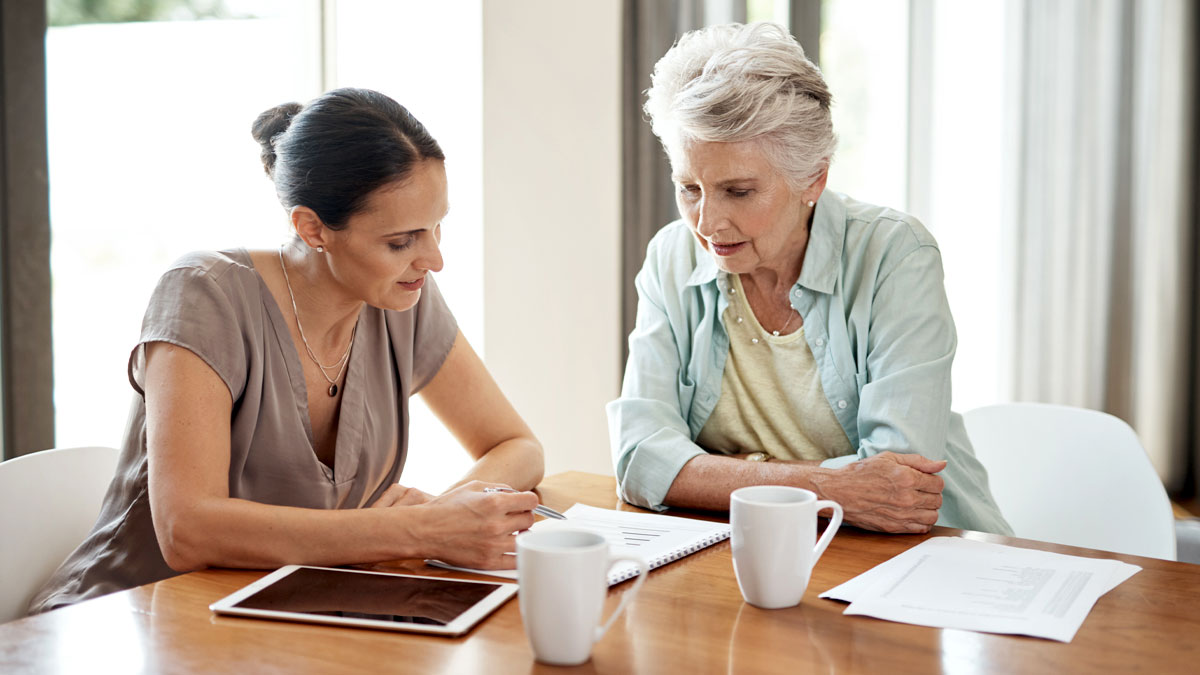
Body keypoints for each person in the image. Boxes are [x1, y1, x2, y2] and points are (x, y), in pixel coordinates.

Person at [31, 88, 545, 613]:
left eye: (437, 227)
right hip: (125, 621)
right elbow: (187, 530)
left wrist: (444, 513)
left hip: (288, 620)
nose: (434, 259)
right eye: (401, 241)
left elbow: (517, 446)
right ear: (312, 227)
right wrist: (414, 530)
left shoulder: (402, 300)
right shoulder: (205, 294)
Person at [607, 23, 1010, 535]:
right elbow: (639, 459)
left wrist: (708, 477)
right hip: (748, 548)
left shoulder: (895, 255)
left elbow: (897, 484)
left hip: (914, 557)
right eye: (689, 188)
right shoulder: (672, 256)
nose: (707, 224)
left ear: (813, 179)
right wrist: (830, 488)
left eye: (738, 191)